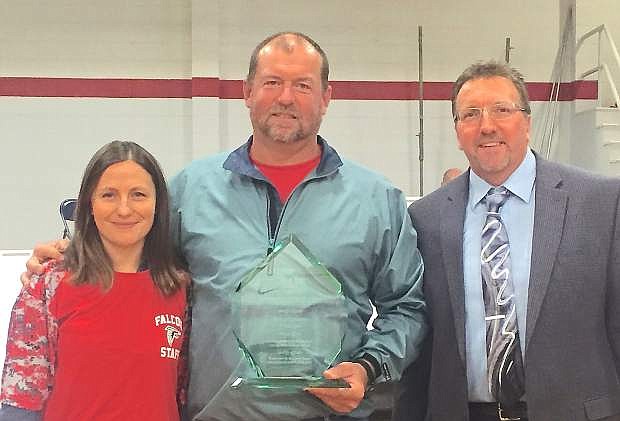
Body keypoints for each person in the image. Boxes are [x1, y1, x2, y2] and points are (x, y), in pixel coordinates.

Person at [24, 33, 427, 421]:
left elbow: (406, 308)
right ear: (247, 92)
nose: (285, 98)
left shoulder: (376, 199)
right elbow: (133, 267)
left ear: (326, 98)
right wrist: (69, 257)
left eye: (302, 85)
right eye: (272, 82)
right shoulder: (190, 190)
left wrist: (371, 367)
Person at [393, 60, 620, 421]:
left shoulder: (599, 203)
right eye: (470, 114)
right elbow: (423, 341)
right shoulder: (425, 218)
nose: (486, 126)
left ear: (527, 122)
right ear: (457, 131)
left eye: (502, 110)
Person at [1, 141, 189, 421]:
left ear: (158, 205)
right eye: (109, 195)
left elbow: (181, 397)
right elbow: (20, 403)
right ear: (89, 204)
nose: (124, 210)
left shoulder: (178, 288)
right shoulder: (47, 285)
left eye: (138, 194)